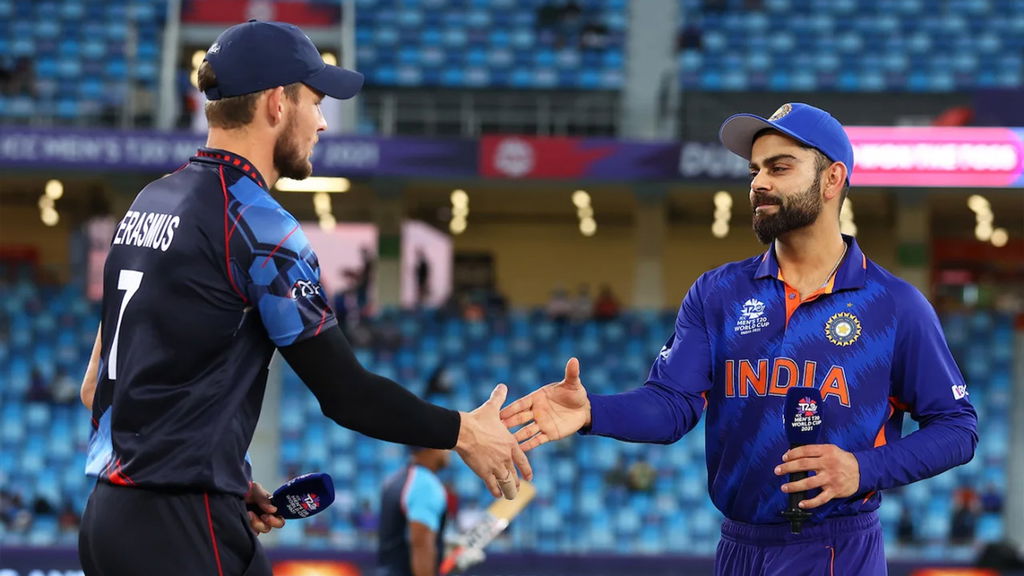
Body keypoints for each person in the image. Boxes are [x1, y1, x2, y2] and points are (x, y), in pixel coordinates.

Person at [77, 20, 529, 576]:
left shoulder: (149, 201)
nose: (320, 122)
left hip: (106, 519)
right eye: (314, 102)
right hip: (181, 526)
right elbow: (346, 395)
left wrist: (225, 475)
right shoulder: (261, 225)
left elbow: (94, 387)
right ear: (275, 103)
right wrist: (463, 431)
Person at [502, 102, 978, 575]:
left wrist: (862, 470)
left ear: (833, 179)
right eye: (755, 170)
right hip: (737, 547)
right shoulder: (718, 292)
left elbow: (958, 428)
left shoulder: (894, 305)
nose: (758, 183)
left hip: (835, 549)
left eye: (780, 167)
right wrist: (593, 411)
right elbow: (671, 406)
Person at [377, 447, 451, 576]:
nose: (449, 451)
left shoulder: (395, 479)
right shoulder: (425, 485)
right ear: (431, 446)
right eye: (445, 446)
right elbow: (420, 545)